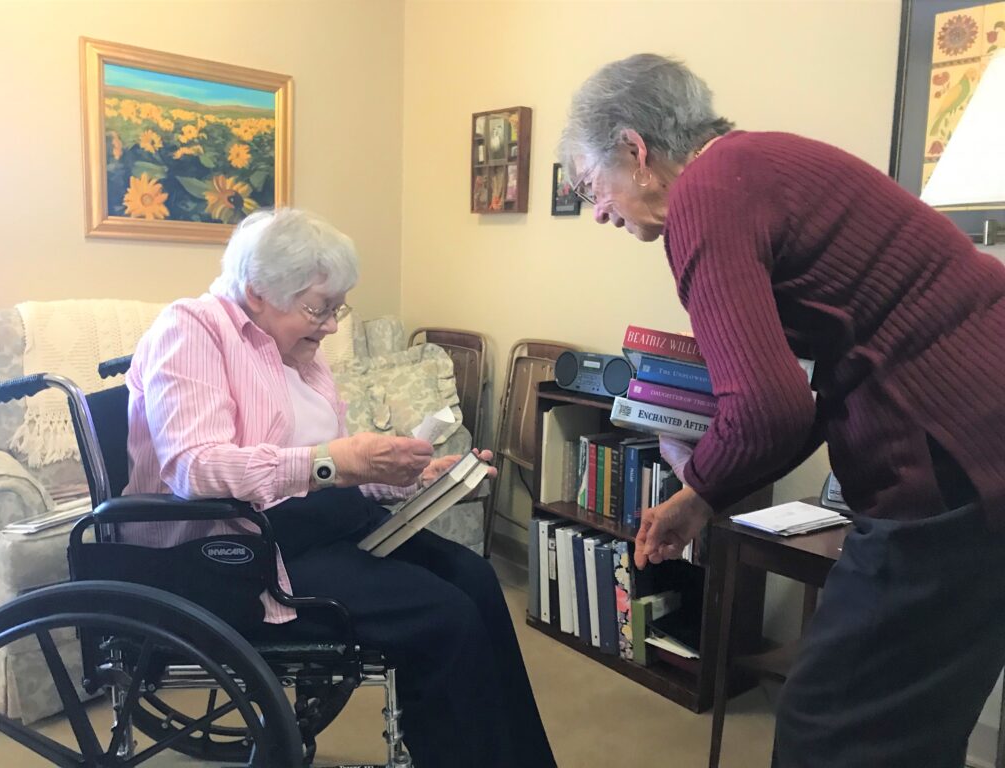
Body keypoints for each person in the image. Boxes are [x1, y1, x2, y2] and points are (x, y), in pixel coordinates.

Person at [558, 53, 1005, 768]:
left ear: (636, 151)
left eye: (590, 186)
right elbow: (801, 402)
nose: (598, 211)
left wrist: (697, 484)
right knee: (915, 721)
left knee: (830, 727)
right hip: (981, 440)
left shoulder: (707, 194)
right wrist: (705, 492)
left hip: (953, 453)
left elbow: (767, 410)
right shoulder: (757, 164)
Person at [122, 208, 556, 768]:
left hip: (316, 527)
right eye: (318, 308)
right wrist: (336, 461)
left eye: (336, 307)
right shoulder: (190, 331)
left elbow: (331, 468)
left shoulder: (298, 352)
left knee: (475, 577)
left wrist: (402, 477)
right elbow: (195, 469)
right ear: (257, 292)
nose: (331, 325)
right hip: (241, 550)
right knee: (443, 618)